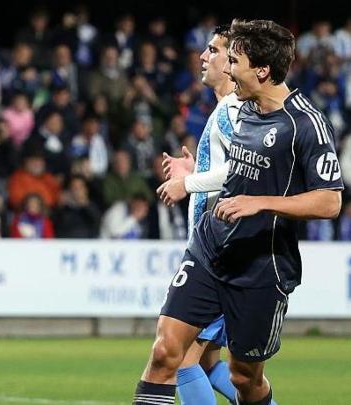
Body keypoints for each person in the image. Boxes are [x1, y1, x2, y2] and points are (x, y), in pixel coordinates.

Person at [132, 19, 343, 405]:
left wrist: (261, 202)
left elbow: (330, 202)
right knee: (166, 353)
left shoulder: (306, 125)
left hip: (261, 265)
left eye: (234, 61)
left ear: (261, 70)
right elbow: (238, 170)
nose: (227, 71)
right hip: (210, 249)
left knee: (244, 378)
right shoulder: (242, 109)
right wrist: (197, 173)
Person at [156, 25, 242, 405]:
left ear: (233, 62)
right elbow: (233, 170)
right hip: (221, 250)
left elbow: (243, 170)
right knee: (208, 362)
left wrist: (187, 183)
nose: (203, 57)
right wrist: (196, 172)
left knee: (178, 358)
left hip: (218, 253)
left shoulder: (231, 109)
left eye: (213, 50)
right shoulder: (228, 109)